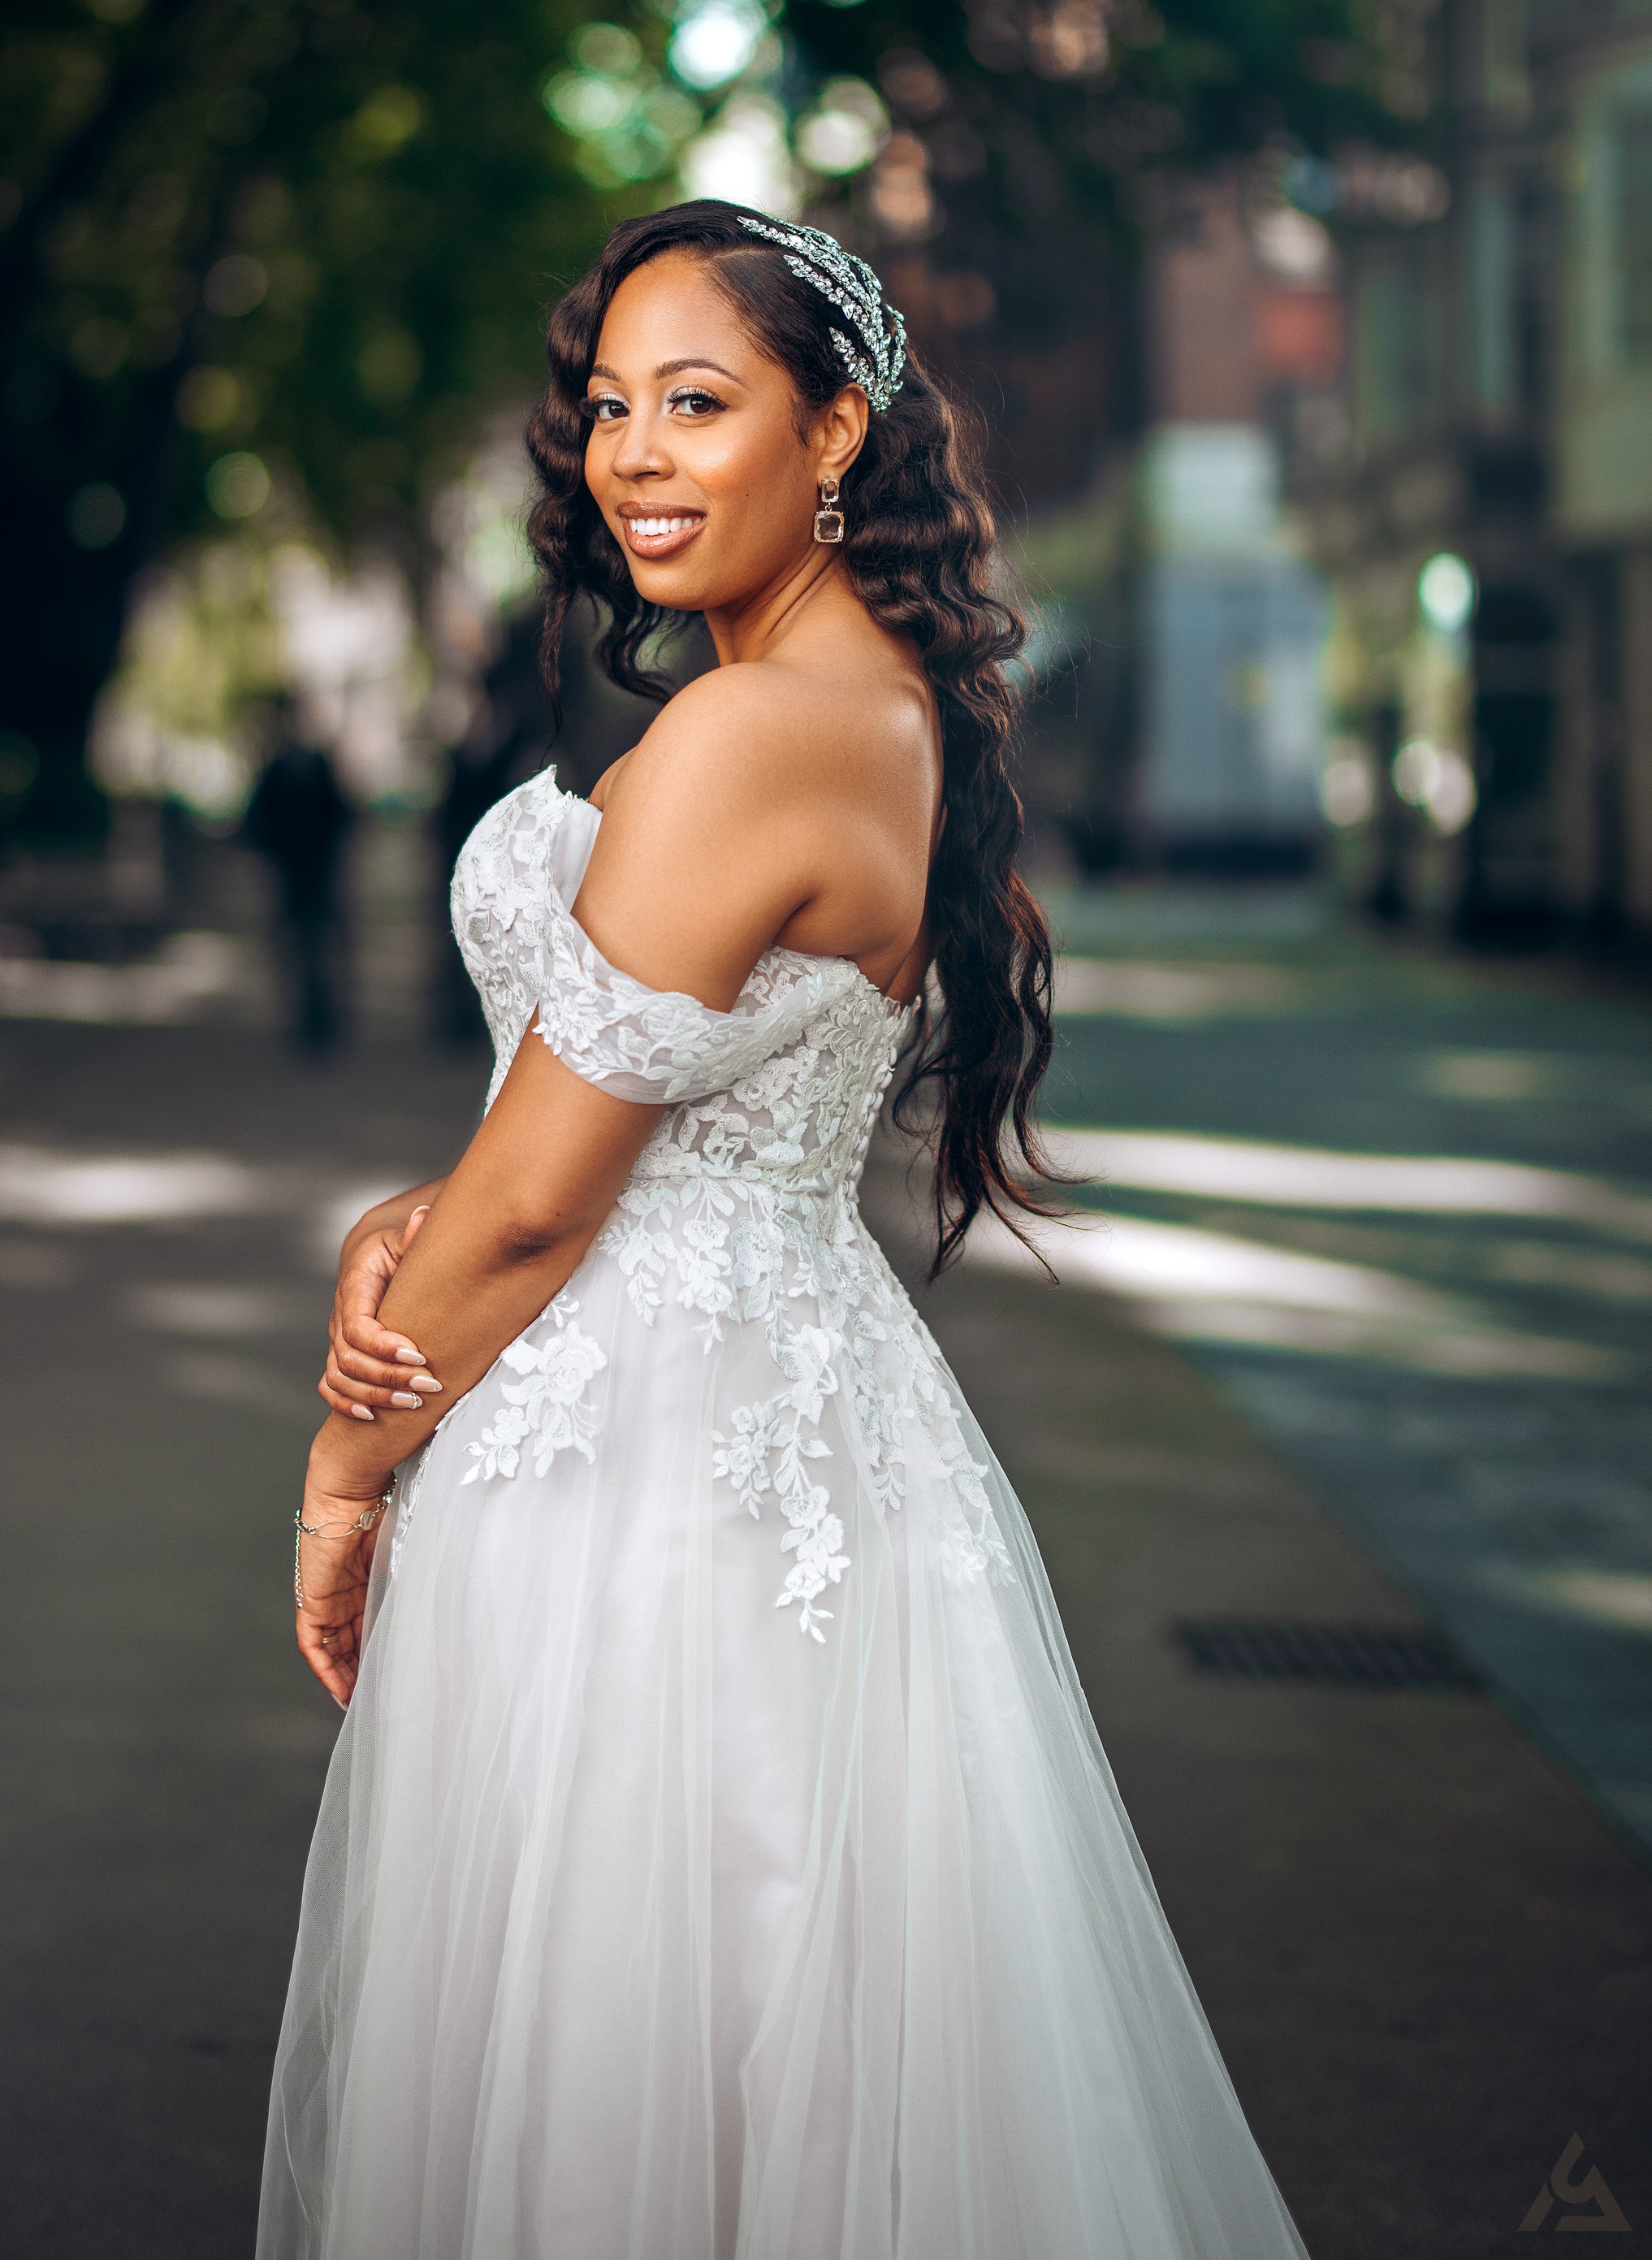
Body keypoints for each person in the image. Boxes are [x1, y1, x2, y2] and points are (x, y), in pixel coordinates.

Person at [258, 203, 1308, 2259]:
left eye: (699, 403)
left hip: (651, 1472)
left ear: (834, 432)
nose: (634, 453)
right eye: (609, 409)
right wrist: (430, 1196)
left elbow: (553, 1195)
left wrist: (340, 1472)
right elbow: (622, 1106)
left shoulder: (745, 733)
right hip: (756, 1409)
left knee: (635, 2047)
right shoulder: (853, 702)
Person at [244, 708, 352, 1051]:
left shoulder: (312, 767)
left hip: (317, 874)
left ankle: (320, 1018)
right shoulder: (283, 770)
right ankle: (310, 1018)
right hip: (295, 876)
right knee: (301, 948)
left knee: (316, 947)